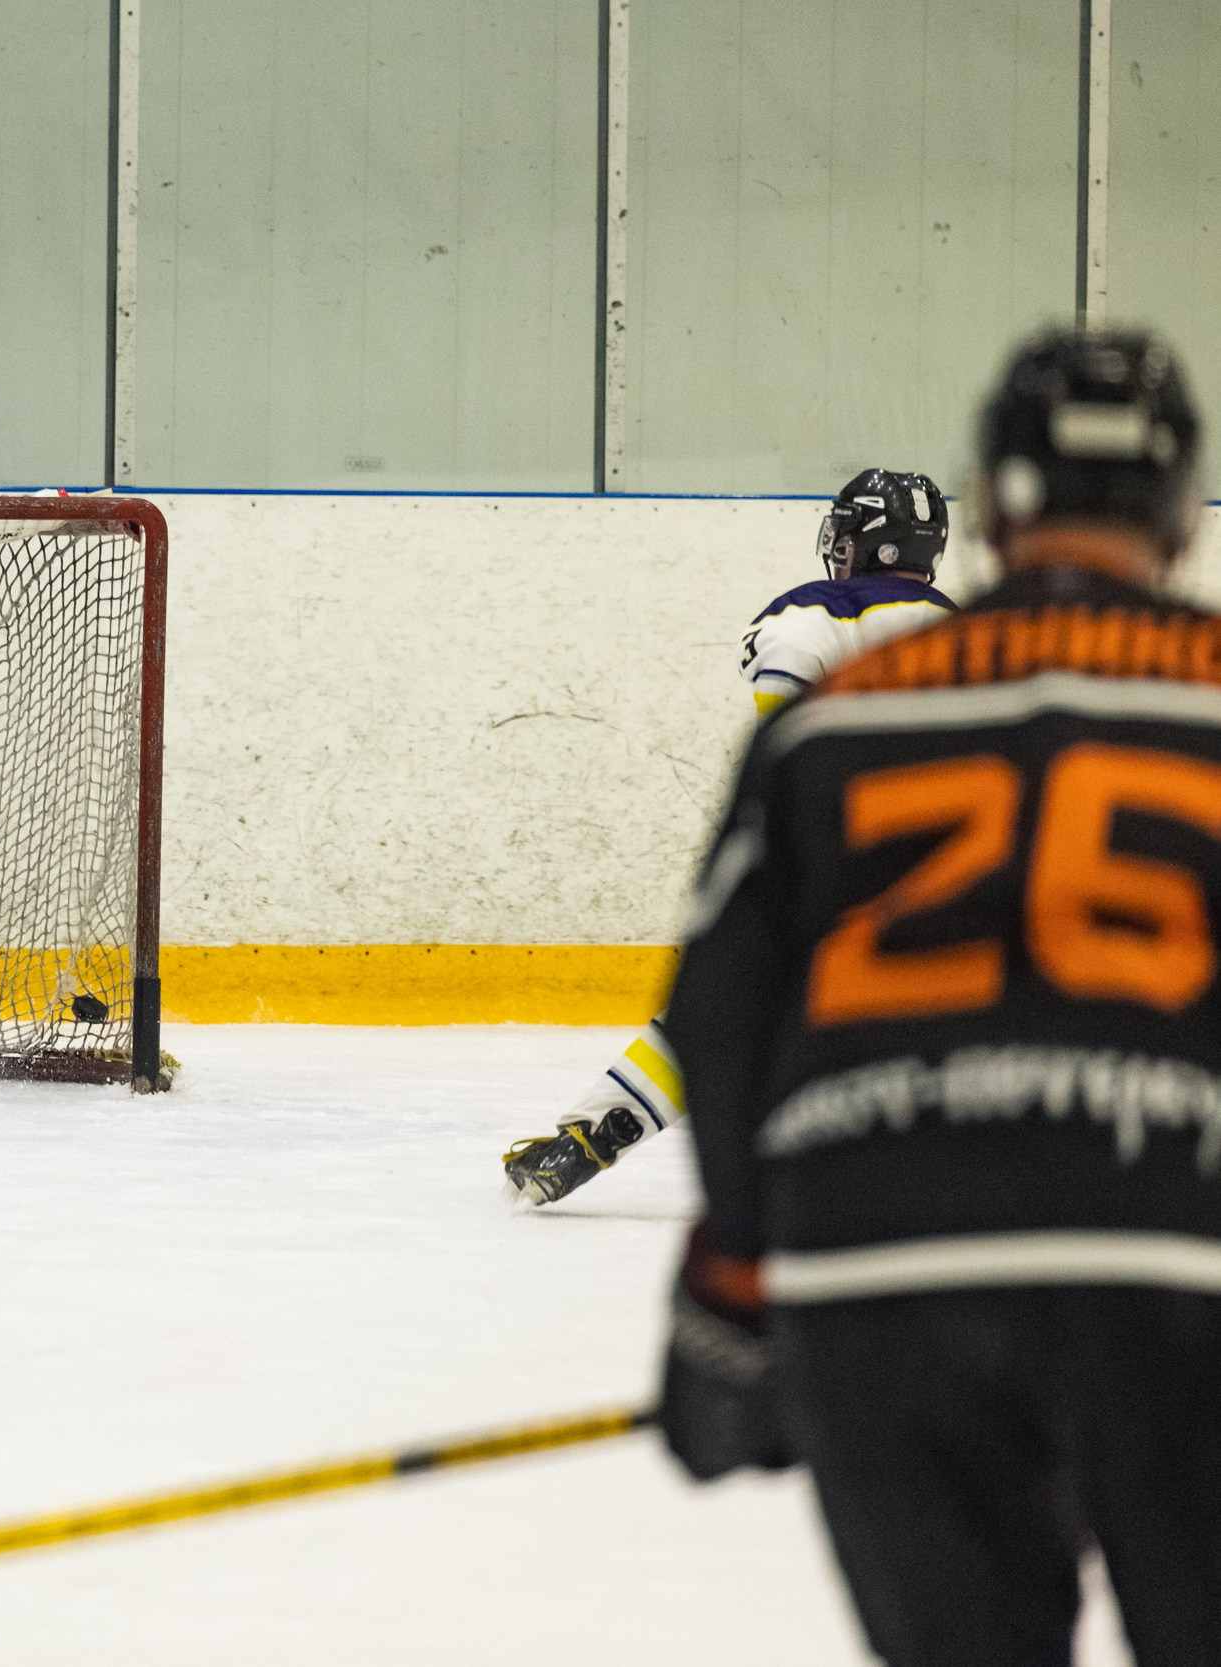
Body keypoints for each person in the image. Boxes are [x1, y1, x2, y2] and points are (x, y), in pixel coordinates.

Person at [659, 328, 1221, 1665]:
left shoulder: (835, 713)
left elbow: (724, 1008)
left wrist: (736, 1279)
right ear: (1176, 514)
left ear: (994, 494)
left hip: (882, 1271)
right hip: (1180, 1260)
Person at [503, 469, 956, 1204]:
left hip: (844, 849)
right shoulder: (982, 623)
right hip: (968, 857)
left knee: (725, 1003)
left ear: (862, 542)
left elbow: (783, 745)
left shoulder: (808, 613)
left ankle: (588, 1137)